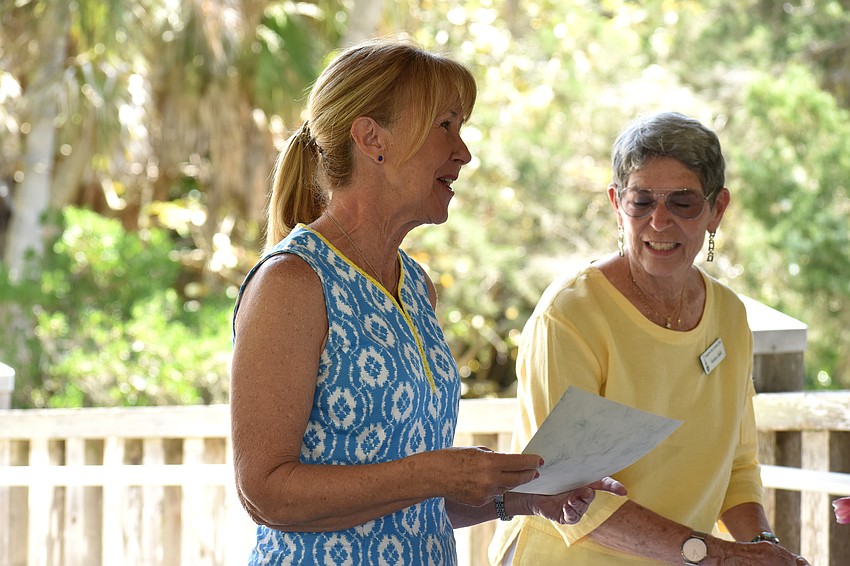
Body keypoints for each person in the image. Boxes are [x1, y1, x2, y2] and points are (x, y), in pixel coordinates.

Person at [229, 38, 625, 565]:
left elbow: (406, 503)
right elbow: (265, 494)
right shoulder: (292, 281)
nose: (463, 152)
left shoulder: (416, 285)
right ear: (372, 138)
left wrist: (527, 498)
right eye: (445, 125)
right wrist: (435, 472)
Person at [489, 112, 811, 565]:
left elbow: (738, 467)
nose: (659, 221)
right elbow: (566, 493)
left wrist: (763, 548)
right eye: (641, 201)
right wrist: (720, 556)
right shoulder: (571, 315)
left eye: (683, 203)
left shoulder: (729, 315)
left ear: (717, 209)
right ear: (616, 204)